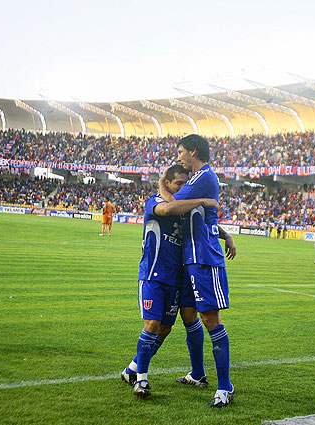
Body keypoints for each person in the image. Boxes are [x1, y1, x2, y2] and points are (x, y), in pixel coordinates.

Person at [121, 164, 220, 399]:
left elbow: (201, 223)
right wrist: (202, 200)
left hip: (175, 279)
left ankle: (131, 370)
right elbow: (167, 209)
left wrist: (227, 237)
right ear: (167, 183)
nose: (183, 188)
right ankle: (141, 380)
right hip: (153, 275)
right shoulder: (155, 201)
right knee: (152, 325)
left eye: (186, 183)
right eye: (179, 184)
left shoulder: (183, 208)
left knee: (165, 328)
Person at [158, 134, 236, 408]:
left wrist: (161, 184)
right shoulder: (198, 179)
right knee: (189, 315)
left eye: (180, 151)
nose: (178, 157)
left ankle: (225, 387)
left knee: (210, 319)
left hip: (204, 257)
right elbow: (201, 214)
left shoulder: (203, 176)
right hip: (191, 257)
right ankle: (198, 374)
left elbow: (171, 204)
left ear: (192, 151)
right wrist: (227, 234)